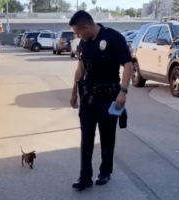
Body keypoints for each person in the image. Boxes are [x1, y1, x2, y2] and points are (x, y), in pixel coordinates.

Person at [69, 10, 133, 191]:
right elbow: (81, 67)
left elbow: (128, 65)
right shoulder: (83, 42)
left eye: (78, 32)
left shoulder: (114, 38)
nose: (77, 36)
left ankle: (105, 171)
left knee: (107, 137)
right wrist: (74, 92)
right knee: (86, 138)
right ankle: (85, 177)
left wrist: (124, 92)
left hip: (109, 96)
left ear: (87, 27)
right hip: (88, 97)